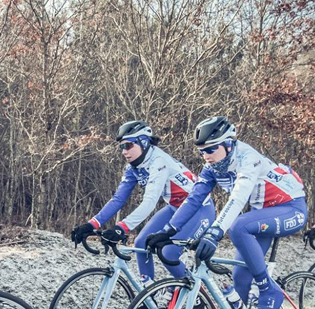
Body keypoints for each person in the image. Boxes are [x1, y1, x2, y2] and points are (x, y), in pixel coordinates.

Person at [147, 116, 307, 309]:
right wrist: (168, 230)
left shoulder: (248, 158)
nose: (206, 156)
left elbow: (238, 197)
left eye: (211, 149)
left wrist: (214, 233)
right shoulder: (212, 168)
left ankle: (270, 291)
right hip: (262, 214)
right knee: (240, 278)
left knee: (238, 226)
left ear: (229, 144)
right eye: (202, 151)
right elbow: (193, 199)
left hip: (290, 209)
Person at [69, 121, 216, 283]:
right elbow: (118, 199)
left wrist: (121, 228)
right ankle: (150, 298)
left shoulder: (159, 161)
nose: (124, 151)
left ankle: (197, 298)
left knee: (169, 253)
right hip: (175, 208)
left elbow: (150, 202)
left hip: (200, 209)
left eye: (129, 145)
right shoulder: (133, 167)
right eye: (121, 147)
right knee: (140, 243)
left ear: (143, 142)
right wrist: (91, 225)